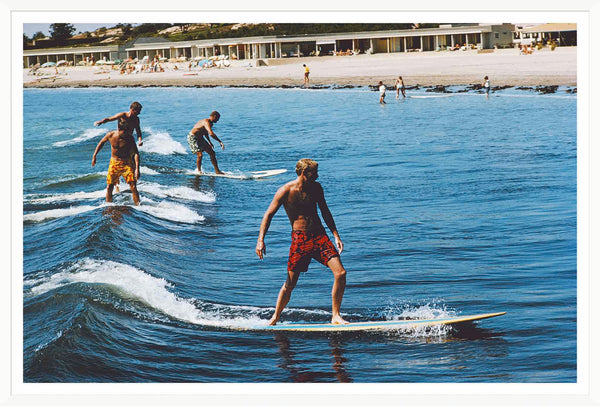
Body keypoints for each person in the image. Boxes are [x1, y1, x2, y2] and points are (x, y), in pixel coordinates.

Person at [256, 158, 348, 326]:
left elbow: (325, 212)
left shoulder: (317, 188)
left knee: (340, 273)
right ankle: (275, 317)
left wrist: (336, 235)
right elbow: (268, 215)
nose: (318, 176)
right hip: (300, 239)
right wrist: (260, 240)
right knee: (290, 284)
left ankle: (335, 315)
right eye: (315, 173)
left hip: (320, 237)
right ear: (305, 173)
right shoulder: (285, 191)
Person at [91, 129, 141, 205]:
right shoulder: (110, 135)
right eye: (123, 132)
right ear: (119, 129)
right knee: (109, 186)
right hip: (114, 163)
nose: (124, 134)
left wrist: (137, 169)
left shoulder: (129, 138)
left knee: (133, 185)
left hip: (127, 163)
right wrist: (94, 155)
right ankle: (108, 206)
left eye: (126, 132)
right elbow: (101, 143)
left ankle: (139, 206)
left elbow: (136, 153)